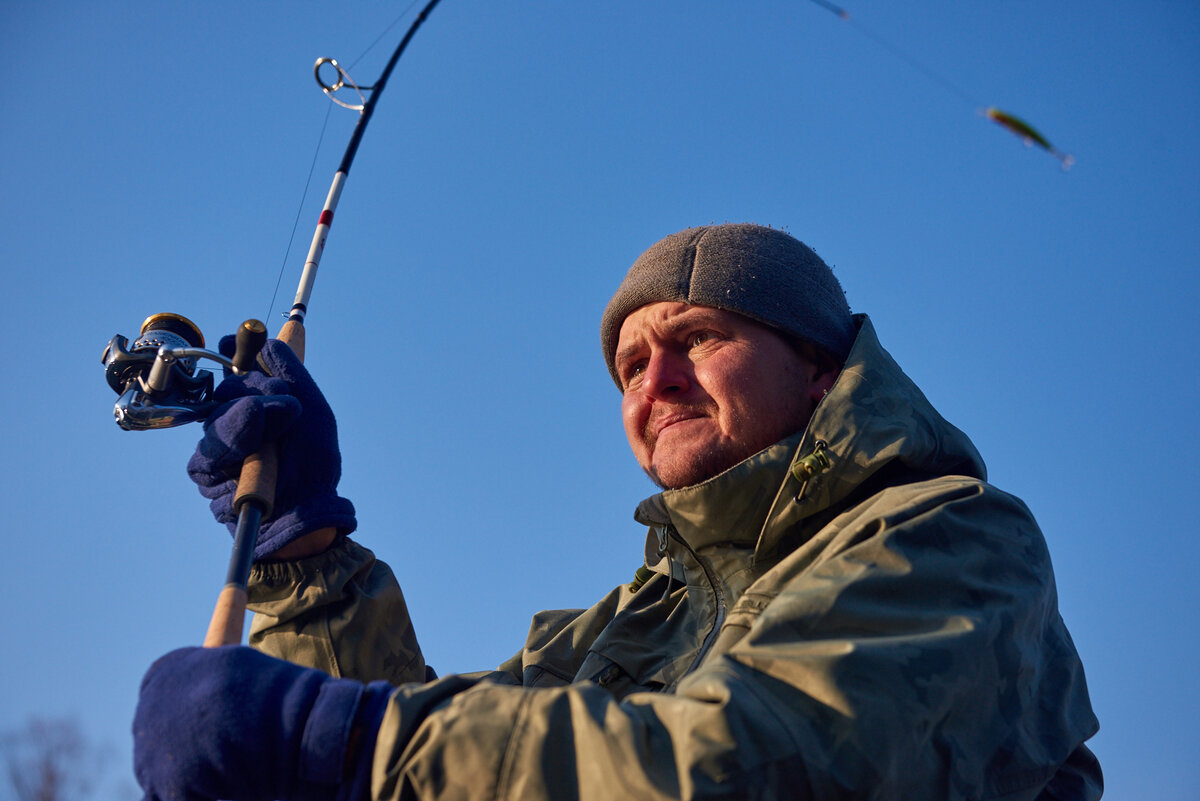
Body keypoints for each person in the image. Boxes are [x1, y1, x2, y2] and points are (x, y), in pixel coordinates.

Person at [133, 224, 1102, 801]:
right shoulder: (631, 621)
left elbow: (743, 768)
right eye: (631, 366)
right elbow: (444, 764)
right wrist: (306, 558)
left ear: (818, 370)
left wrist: (347, 739)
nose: (657, 382)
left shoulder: (953, 536)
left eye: (699, 338)